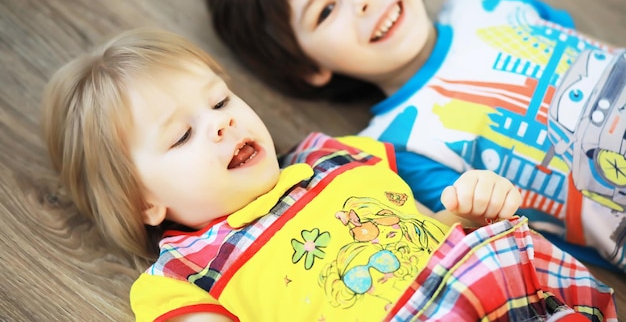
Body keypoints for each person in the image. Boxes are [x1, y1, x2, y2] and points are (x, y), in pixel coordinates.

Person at [41, 29, 617, 322]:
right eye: (181, 135)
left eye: (219, 102)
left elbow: (423, 233)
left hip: (488, 289)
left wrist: (468, 213)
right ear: (144, 203)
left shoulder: (336, 155)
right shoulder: (184, 275)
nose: (219, 125)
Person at [204, 0, 626, 271]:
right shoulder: (397, 147)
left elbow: (584, 48)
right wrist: (473, 210)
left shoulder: (484, 4)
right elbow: (474, 226)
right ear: (308, 66)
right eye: (327, 10)